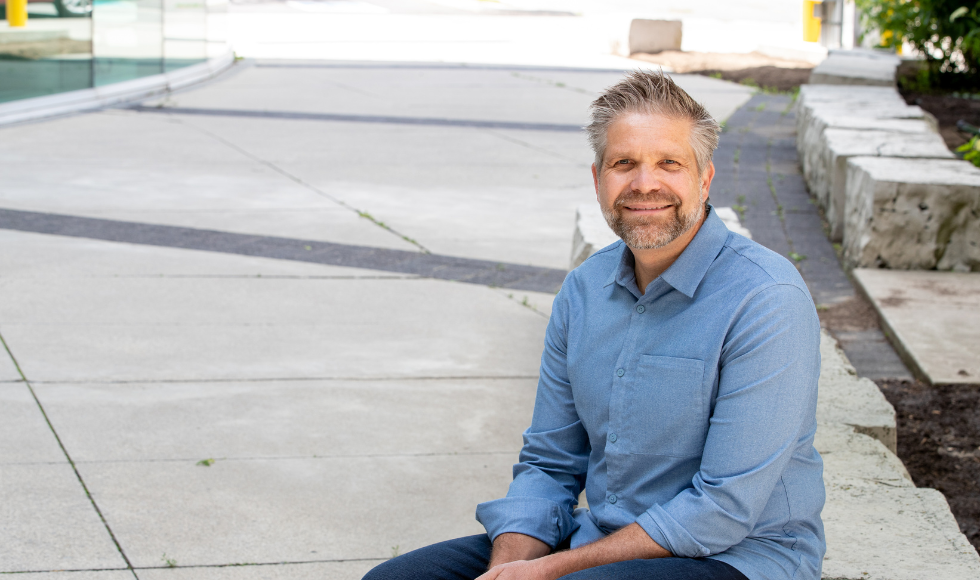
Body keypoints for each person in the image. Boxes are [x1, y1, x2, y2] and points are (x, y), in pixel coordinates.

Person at [363, 70, 825, 580]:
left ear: (704, 178)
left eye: (669, 163)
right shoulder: (584, 290)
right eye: (624, 163)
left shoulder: (766, 299)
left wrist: (552, 571)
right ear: (598, 178)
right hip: (600, 541)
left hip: (736, 556)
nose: (644, 183)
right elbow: (549, 462)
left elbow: (722, 509)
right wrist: (511, 568)